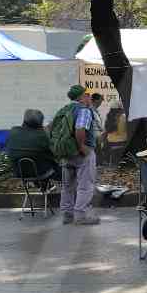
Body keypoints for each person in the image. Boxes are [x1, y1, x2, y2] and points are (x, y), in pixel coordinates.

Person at [57, 85, 100, 225]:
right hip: (82, 152)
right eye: (87, 94)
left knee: (67, 185)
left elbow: (50, 129)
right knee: (85, 184)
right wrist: (82, 147)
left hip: (66, 152)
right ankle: (81, 215)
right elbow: (80, 129)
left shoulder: (63, 110)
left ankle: (67, 214)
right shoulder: (84, 110)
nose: (89, 97)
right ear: (81, 97)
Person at [6, 109, 58, 179]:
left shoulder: (13, 131)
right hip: (42, 172)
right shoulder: (42, 135)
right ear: (41, 122)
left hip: (18, 173)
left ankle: (44, 187)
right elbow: (54, 153)